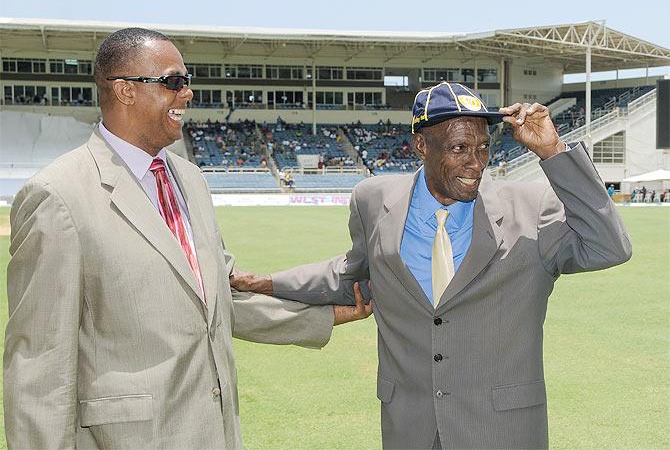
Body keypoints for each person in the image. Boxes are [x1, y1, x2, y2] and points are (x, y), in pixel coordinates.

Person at [4, 27, 371, 450]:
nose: (188, 93)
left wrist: (329, 315)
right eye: (173, 82)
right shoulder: (58, 196)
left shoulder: (191, 181)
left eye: (187, 81)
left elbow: (220, 301)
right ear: (124, 90)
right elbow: (38, 367)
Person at [232, 82, 632, 449]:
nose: (475, 163)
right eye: (459, 148)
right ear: (421, 146)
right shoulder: (373, 201)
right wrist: (267, 283)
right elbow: (350, 275)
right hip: (411, 428)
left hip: (503, 432)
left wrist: (552, 150)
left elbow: (609, 247)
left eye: (483, 148)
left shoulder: (531, 208)